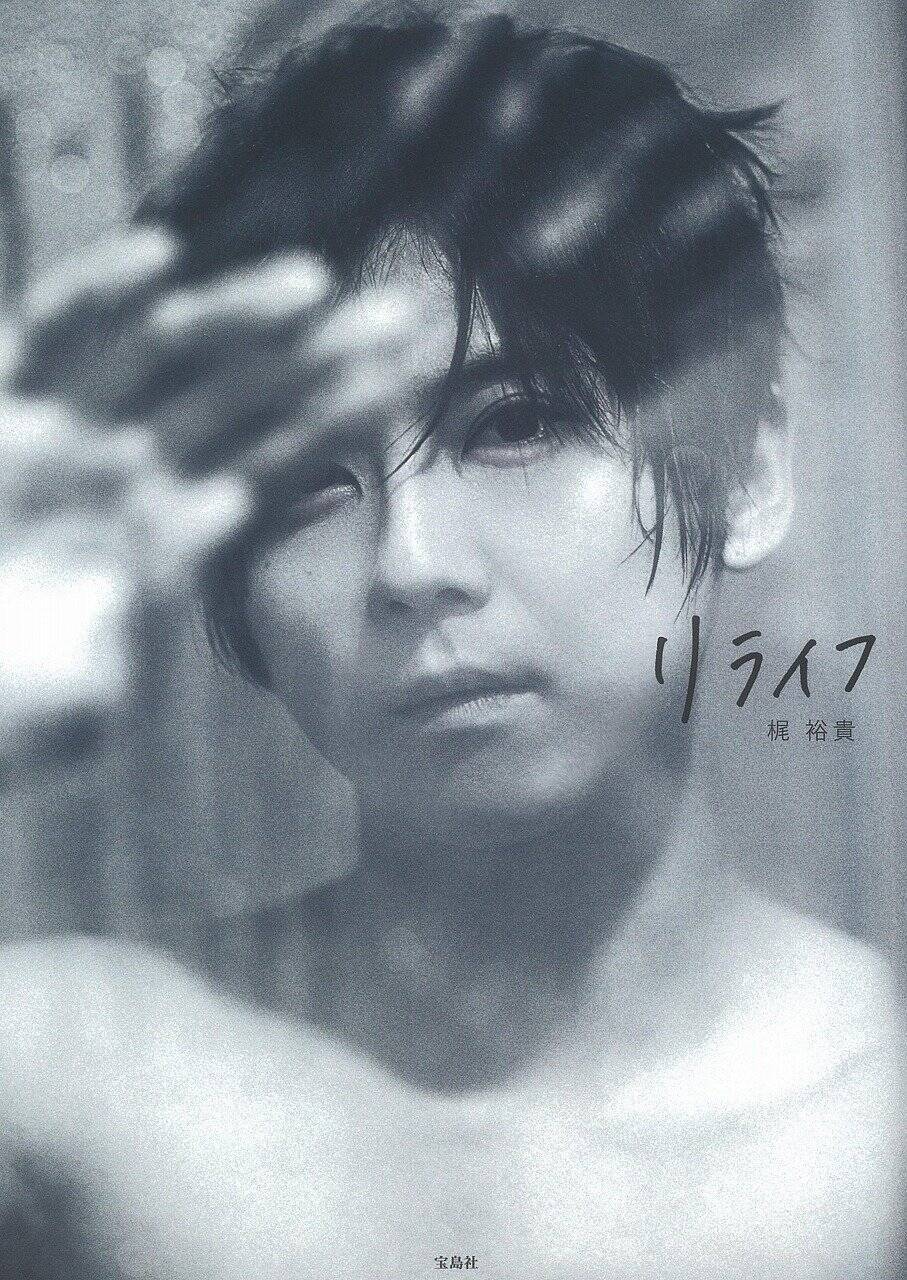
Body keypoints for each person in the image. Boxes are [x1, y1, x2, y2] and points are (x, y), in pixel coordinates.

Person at [0, 9, 901, 1277]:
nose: (412, 564)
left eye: (516, 421)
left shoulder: (875, 1130)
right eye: (304, 483)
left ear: (748, 468)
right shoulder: (62, 1091)